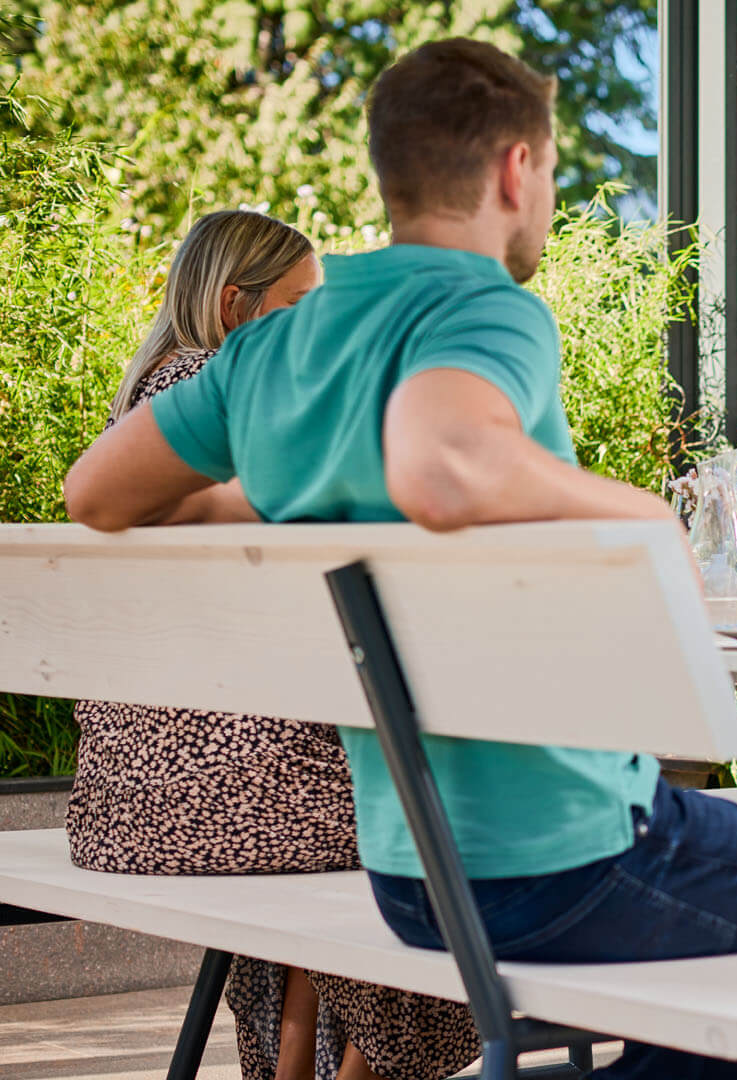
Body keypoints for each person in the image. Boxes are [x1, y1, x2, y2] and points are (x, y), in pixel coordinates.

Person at [62, 37, 737, 1080]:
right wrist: (644, 519)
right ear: (514, 169)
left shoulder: (274, 347)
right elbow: (443, 463)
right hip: (563, 852)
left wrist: (266, 498)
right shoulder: (484, 303)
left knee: (733, 979)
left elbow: (97, 493)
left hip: (409, 869)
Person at [65, 208, 481, 1080]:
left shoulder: (146, 407)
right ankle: (356, 1073)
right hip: (229, 803)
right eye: (299, 308)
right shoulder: (231, 385)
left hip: (123, 803)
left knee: (353, 780)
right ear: (233, 306)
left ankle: (296, 1061)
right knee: (448, 820)